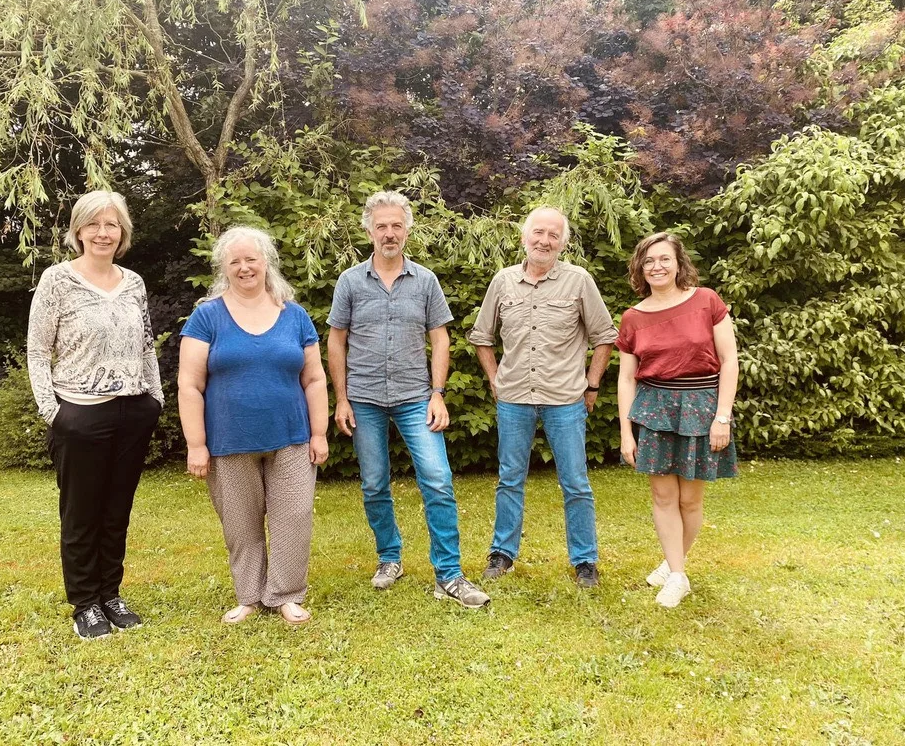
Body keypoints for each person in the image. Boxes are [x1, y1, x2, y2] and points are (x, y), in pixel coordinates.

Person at [327, 190, 490, 608]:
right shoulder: (349, 281)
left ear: (407, 229)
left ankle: (449, 574)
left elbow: (440, 337)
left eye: (396, 225)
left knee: (437, 479)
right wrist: (341, 398)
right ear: (369, 231)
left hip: (416, 396)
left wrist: (438, 394)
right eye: (381, 226)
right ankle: (389, 557)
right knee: (375, 483)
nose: (389, 233)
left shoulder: (426, 280)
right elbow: (336, 340)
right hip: (362, 397)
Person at [27, 190, 164, 640]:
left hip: (133, 411)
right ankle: (85, 603)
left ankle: (111, 594)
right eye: (94, 224)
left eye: (112, 224)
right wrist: (54, 412)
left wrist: (155, 399)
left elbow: (146, 345)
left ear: (122, 232)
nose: (103, 233)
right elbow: (37, 350)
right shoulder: (57, 280)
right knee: (81, 513)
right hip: (79, 414)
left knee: (116, 510)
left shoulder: (134, 283)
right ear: (78, 231)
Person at [177, 227, 328, 626]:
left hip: (293, 438)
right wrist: (196, 444)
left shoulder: (294, 316)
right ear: (224, 268)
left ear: (266, 263)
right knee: (241, 524)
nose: (245, 267)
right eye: (235, 261)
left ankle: (285, 594)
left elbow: (314, 379)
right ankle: (248, 595)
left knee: (293, 518)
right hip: (229, 441)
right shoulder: (207, 316)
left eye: (252, 259)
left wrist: (319, 433)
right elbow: (190, 385)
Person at [468, 206, 617, 588]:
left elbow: (604, 336)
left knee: (576, 482)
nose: (544, 241)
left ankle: (585, 561)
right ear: (524, 237)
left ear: (563, 243)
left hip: (565, 399)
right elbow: (482, 336)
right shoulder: (502, 282)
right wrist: (494, 378)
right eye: (538, 232)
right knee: (509, 478)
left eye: (553, 235)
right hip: (514, 397)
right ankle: (502, 554)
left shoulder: (579, 281)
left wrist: (592, 383)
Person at [616, 232, 739, 608]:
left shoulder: (706, 301)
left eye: (664, 259)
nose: (657, 266)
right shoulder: (633, 318)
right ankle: (678, 575)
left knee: (690, 499)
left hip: (702, 406)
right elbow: (625, 378)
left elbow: (729, 361)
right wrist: (626, 432)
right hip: (655, 408)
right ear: (640, 268)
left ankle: (673, 567)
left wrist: (723, 417)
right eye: (649, 261)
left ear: (678, 262)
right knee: (662, 495)